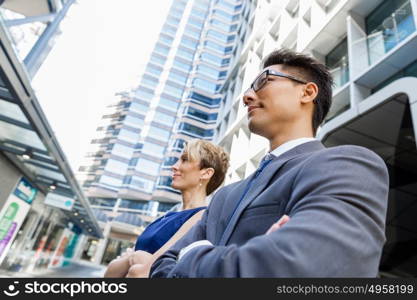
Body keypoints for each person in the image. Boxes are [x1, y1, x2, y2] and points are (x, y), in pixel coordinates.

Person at [149, 49, 390, 277]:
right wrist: (258, 252)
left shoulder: (346, 165)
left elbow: (308, 267)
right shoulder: (223, 197)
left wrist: (192, 254)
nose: (247, 96)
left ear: (307, 93)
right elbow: (161, 267)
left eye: (264, 80)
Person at [103, 139, 230, 277]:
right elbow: (109, 274)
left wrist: (134, 258)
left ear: (206, 173)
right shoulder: (168, 215)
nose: (174, 166)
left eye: (185, 160)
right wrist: (132, 257)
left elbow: (144, 273)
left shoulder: (200, 218)